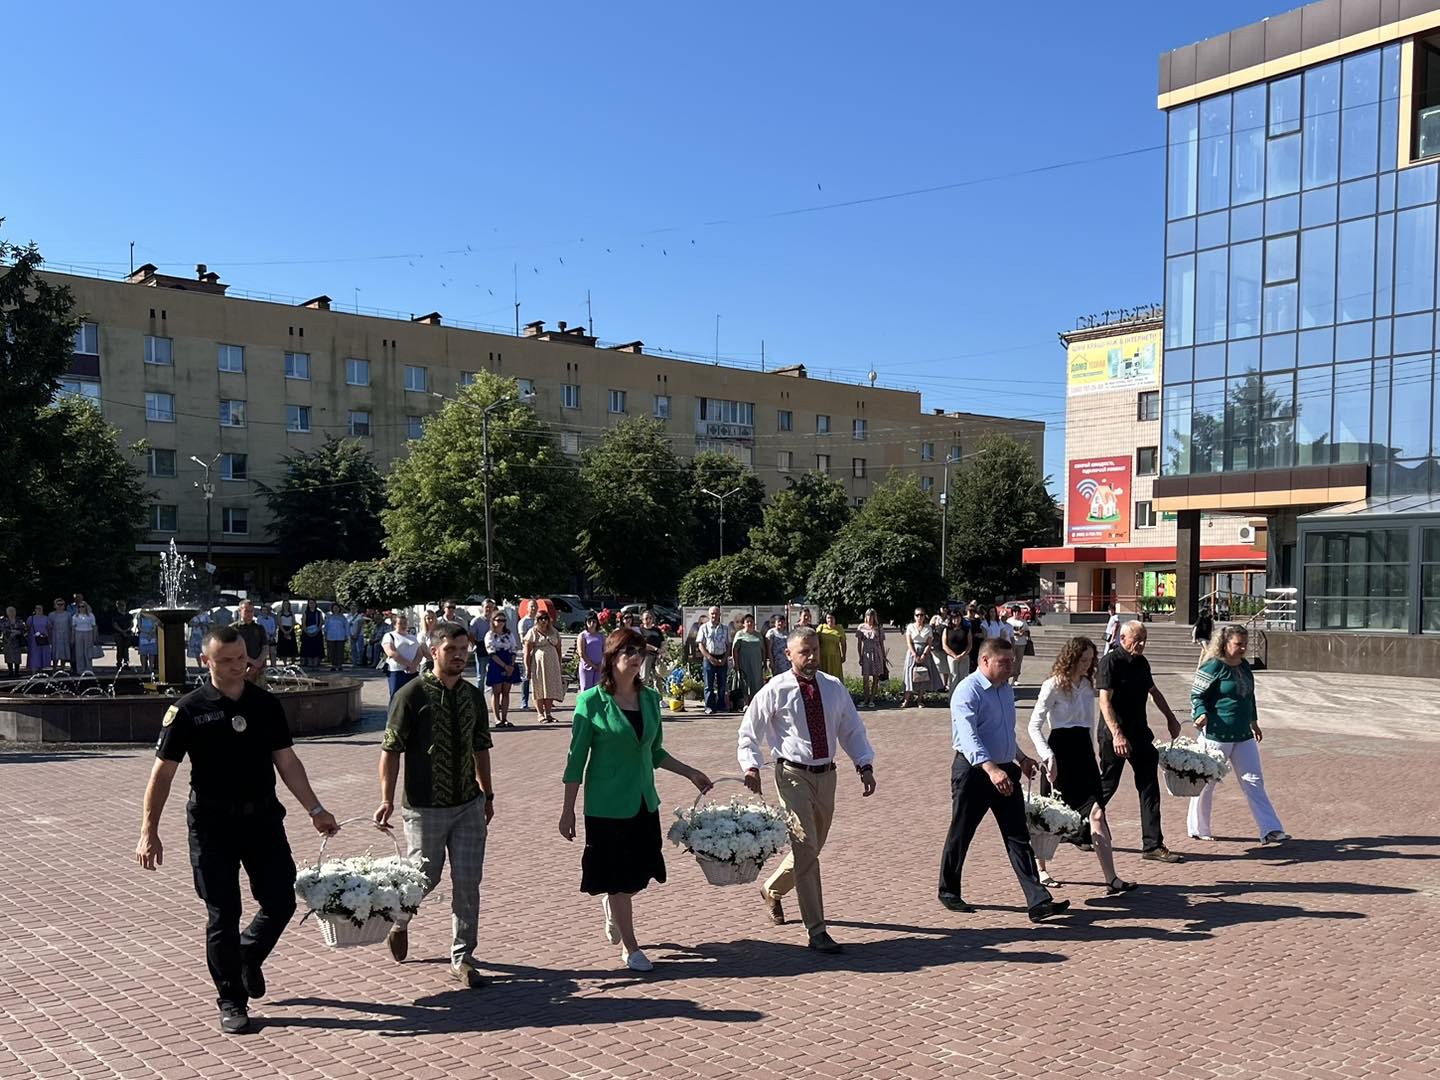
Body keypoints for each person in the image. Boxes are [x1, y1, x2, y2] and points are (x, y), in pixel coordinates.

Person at [135, 624, 339, 1034]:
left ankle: (247, 955)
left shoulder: (265, 704)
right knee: (223, 914)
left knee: (281, 901)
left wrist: (315, 808)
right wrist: (148, 829)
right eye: (225, 660)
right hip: (212, 824)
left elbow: (287, 763)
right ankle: (231, 999)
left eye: (241, 658)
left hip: (263, 819)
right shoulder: (187, 710)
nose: (236, 666)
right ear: (205, 661)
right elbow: (162, 775)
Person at [560, 627, 712, 971]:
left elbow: (655, 752)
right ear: (611, 657)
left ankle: (614, 905)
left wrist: (691, 773)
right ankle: (630, 947)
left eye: (639, 651)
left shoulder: (649, 699)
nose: (635, 657)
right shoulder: (591, 702)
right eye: (627, 650)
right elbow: (575, 761)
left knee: (638, 875)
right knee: (619, 879)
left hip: (643, 801)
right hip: (607, 806)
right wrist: (567, 810)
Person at [738, 626, 876, 954]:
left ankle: (772, 890)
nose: (812, 656)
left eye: (814, 650)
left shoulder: (833, 687)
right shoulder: (776, 689)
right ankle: (817, 931)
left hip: (827, 775)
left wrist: (864, 763)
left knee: (812, 848)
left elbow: (852, 728)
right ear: (788, 654)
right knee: (805, 850)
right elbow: (749, 729)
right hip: (792, 776)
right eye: (804, 651)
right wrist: (751, 765)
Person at [375, 622, 495, 988]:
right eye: (451, 649)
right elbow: (390, 751)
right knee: (423, 879)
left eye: (464, 649)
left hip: (468, 805)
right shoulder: (411, 695)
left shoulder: (473, 696)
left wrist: (487, 794)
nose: (459, 655)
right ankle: (400, 921)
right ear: (433, 650)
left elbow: (481, 747)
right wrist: (385, 799)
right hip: (424, 806)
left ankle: (463, 957)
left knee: (468, 882)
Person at [938, 637, 1070, 921]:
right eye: (1004, 662)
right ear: (984, 661)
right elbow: (968, 736)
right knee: (962, 832)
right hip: (974, 772)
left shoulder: (1005, 690)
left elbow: (1004, 732)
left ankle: (1038, 900)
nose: (1011, 666)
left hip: (1004, 771)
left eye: (1012, 661)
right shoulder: (967, 691)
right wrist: (991, 768)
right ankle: (948, 891)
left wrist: (1020, 758)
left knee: (1018, 835)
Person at [1027, 636, 1136, 894]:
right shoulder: (1052, 685)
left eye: (1090, 660)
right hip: (1059, 753)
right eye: (1083, 660)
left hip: (1083, 754)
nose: (1088, 665)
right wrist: (1048, 755)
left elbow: (1088, 723)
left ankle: (1111, 878)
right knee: (1048, 816)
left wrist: (1093, 753)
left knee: (1097, 813)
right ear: (1071, 658)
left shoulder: (1088, 686)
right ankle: (1041, 869)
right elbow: (1034, 725)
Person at [1189, 626, 1289, 844]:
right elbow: (1197, 694)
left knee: (1253, 780)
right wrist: (1200, 713)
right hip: (1216, 734)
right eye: (1238, 644)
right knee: (1207, 782)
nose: (1243, 648)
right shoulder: (1213, 666)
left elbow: (1249, 697)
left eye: (1245, 644)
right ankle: (1198, 827)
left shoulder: (1244, 665)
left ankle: (1270, 829)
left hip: (1243, 734)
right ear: (1225, 643)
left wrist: (1255, 723)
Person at [1096, 621, 1185, 864]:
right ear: (1122, 638)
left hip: (1139, 733)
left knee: (1149, 787)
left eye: (1144, 639)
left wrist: (1171, 718)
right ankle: (1079, 825)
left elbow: (1154, 692)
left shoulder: (1142, 663)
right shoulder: (1110, 662)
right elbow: (1104, 701)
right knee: (1107, 784)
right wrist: (1116, 734)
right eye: (1137, 639)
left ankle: (1153, 845)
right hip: (1114, 735)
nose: (1142, 644)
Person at [524, 609, 564, 723]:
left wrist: (560, 664)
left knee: (550, 687)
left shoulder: (554, 631)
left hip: (552, 663)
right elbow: (527, 651)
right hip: (538, 663)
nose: (544, 621)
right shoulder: (533, 632)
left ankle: (548, 713)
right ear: (536, 620)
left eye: (546, 618)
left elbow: (559, 648)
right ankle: (540, 713)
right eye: (541, 618)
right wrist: (527, 667)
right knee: (539, 687)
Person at [901, 607, 942, 708]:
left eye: (921, 615)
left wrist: (924, 654)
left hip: (925, 653)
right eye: (917, 615)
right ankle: (906, 699)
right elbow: (909, 642)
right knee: (909, 674)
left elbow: (929, 643)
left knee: (923, 675)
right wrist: (914, 654)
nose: (919, 617)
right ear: (914, 616)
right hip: (912, 653)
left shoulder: (928, 628)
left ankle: (920, 699)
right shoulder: (910, 627)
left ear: (924, 616)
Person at [484, 611, 519, 728]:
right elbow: (491, 652)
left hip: (509, 661)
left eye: (503, 621)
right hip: (496, 663)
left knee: (506, 691)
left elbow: (514, 649)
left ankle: (505, 718)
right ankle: (497, 718)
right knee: (496, 691)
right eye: (498, 620)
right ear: (493, 621)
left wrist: (511, 665)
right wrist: (504, 666)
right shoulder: (490, 635)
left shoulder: (509, 634)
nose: (501, 623)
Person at [695, 606, 731, 715]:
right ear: (709, 615)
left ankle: (721, 705)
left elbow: (729, 644)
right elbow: (700, 645)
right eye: (712, 614)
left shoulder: (725, 628)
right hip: (709, 657)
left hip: (722, 657)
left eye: (716, 613)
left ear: (720, 615)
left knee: (722, 683)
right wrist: (710, 658)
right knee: (708, 685)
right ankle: (709, 706)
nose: (714, 616)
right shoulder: (704, 628)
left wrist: (724, 659)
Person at [382, 613, 424, 698]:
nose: (403, 625)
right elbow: (391, 652)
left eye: (405, 623)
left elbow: (419, 653)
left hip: (412, 671)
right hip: (397, 671)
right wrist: (408, 664)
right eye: (400, 623)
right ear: (394, 625)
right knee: (396, 696)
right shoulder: (389, 636)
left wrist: (414, 665)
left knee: (412, 696)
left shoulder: (413, 637)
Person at [855, 608, 887, 709]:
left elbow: (882, 643)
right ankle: (866, 698)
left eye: (872, 616)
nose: (870, 618)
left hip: (877, 653)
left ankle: (872, 699)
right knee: (865, 678)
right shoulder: (861, 627)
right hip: (866, 654)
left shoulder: (879, 628)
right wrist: (860, 656)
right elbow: (859, 643)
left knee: (875, 677)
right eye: (868, 615)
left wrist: (884, 657)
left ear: (874, 617)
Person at [730, 613, 765, 707]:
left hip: (756, 663)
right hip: (744, 663)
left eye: (751, 621)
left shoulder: (758, 635)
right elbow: (735, 650)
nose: (749, 623)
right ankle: (746, 704)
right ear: (744, 623)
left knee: (757, 682)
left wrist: (764, 662)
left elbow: (763, 649)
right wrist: (736, 664)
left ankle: (755, 704)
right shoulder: (739, 634)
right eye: (747, 621)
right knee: (745, 682)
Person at [233, 600, 268, 683]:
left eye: (251, 611)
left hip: (258, 669)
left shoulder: (259, 628)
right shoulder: (233, 629)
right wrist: (250, 661)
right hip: (239, 669)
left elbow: (265, 647)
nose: (249, 613)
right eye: (246, 611)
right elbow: (230, 650)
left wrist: (257, 663)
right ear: (240, 611)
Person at [940, 608, 970, 692]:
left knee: (964, 678)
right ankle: (952, 699)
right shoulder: (947, 629)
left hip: (964, 656)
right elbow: (944, 645)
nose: (956, 619)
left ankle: (964, 698)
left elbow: (969, 644)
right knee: (954, 677)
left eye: (958, 617)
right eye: (954, 618)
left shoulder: (966, 629)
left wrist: (963, 654)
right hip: (951, 657)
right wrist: (954, 655)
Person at [468, 599, 496, 685]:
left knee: (494, 675)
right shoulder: (476, 621)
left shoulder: (496, 620)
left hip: (494, 649)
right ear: (482, 607)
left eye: (491, 607)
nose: (489, 609)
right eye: (487, 607)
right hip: (481, 648)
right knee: (481, 676)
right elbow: (471, 636)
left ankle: (493, 696)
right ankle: (479, 697)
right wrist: (474, 646)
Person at [577, 613, 605, 693]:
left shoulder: (601, 635)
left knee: (598, 689)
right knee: (586, 689)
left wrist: (601, 664)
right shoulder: (582, 635)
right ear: (586, 622)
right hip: (586, 666)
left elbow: (605, 651)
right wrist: (592, 665)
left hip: (599, 666)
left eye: (594, 621)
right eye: (589, 621)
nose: (592, 624)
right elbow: (581, 653)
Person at [638, 609, 665, 689]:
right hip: (646, 656)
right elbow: (642, 644)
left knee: (658, 680)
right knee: (644, 679)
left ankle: (658, 699)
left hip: (657, 657)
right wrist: (656, 649)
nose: (648, 620)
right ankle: (642, 698)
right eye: (646, 618)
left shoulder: (657, 630)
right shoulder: (640, 630)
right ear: (642, 620)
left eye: (650, 618)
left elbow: (663, 642)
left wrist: (662, 651)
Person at [516, 601, 536, 710]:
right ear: (528, 608)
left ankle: (543, 700)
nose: (534, 608)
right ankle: (524, 701)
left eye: (535, 606)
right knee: (526, 677)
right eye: (532, 606)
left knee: (539, 677)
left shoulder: (539, 620)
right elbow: (522, 639)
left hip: (538, 653)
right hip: (527, 653)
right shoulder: (523, 622)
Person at [816, 612, 846, 680]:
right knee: (824, 677)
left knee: (835, 677)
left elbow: (843, 644)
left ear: (835, 619)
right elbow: (816, 642)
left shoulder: (839, 628)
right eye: (828, 618)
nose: (830, 620)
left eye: (832, 618)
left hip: (835, 657)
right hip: (823, 657)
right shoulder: (821, 627)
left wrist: (844, 655)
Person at [1006, 606, 1031, 687]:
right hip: (1011, 643)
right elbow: (1007, 632)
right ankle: (1007, 677)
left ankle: (1015, 679)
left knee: (1018, 661)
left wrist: (1023, 633)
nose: (1017, 614)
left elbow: (1027, 632)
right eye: (1015, 612)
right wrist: (1016, 633)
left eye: (1019, 612)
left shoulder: (1023, 622)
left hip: (1021, 643)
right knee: (1010, 661)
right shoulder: (1009, 621)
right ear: (1012, 612)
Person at [299, 599, 324, 670]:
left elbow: (321, 622)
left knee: (316, 648)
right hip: (307, 632)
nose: (312, 604)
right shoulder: (305, 612)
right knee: (308, 647)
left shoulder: (318, 613)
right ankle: (310, 663)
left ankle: (315, 663)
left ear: (315, 604)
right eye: (310, 603)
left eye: (313, 603)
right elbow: (303, 623)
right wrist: (307, 632)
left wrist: (317, 631)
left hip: (317, 632)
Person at [49, 598, 73, 672]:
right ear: (55, 605)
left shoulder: (68, 614)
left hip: (65, 636)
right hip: (55, 636)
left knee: (64, 653)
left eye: (62, 604)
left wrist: (71, 637)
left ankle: (62, 669)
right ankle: (54, 669)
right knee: (55, 653)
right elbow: (49, 627)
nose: (60, 606)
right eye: (58, 604)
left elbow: (71, 626)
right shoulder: (51, 615)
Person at [764, 614, 790, 679]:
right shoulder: (771, 633)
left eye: (782, 622)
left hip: (786, 662)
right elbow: (769, 649)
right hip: (776, 661)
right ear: (775, 623)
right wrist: (771, 662)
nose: (780, 623)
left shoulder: (787, 633)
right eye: (779, 621)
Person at [1, 606, 25, 676]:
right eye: (10, 611)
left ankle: (17, 672)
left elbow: (23, 629)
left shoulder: (19, 620)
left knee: (17, 657)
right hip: (7, 641)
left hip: (17, 641)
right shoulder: (4, 620)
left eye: (13, 611)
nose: (12, 613)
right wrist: (11, 631)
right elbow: (2, 628)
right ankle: (10, 672)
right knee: (8, 656)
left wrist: (18, 632)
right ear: (7, 612)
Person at [134, 611, 158, 675]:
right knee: (143, 654)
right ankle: (143, 668)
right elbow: (139, 627)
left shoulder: (153, 617)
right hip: (143, 636)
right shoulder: (140, 617)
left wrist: (151, 633)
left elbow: (155, 627)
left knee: (152, 654)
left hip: (152, 636)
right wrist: (148, 633)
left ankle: (151, 668)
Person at [965, 601, 985, 674]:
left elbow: (983, 632)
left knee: (976, 664)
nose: (972, 613)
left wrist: (980, 635)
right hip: (966, 644)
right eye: (970, 611)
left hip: (976, 645)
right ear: (966, 611)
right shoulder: (964, 620)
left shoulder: (977, 621)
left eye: (974, 611)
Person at [255, 604, 278, 670]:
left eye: (265, 610)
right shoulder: (259, 618)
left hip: (271, 637)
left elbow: (273, 628)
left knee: (272, 653)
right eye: (263, 610)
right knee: (264, 654)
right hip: (263, 638)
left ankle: (274, 667)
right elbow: (261, 627)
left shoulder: (271, 618)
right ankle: (264, 668)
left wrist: (270, 633)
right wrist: (266, 633)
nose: (264, 611)